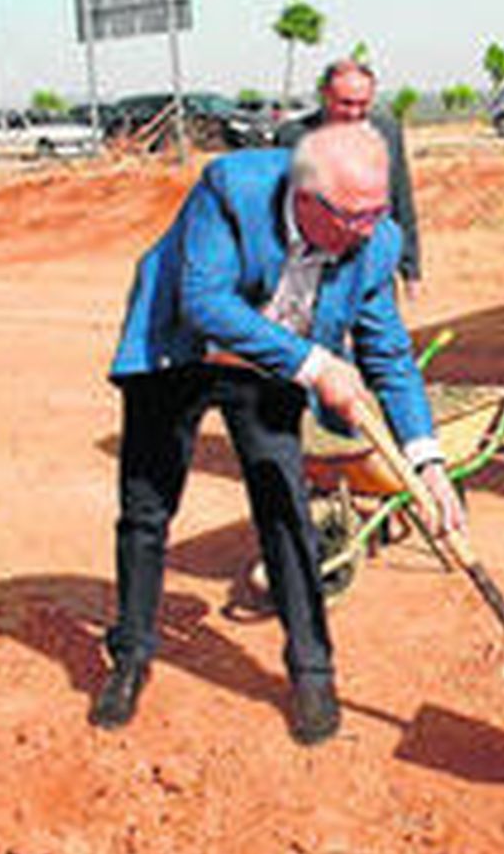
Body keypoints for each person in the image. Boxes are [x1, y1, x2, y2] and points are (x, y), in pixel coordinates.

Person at [95, 124, 466, 746]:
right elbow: (205, 303)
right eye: (356, 216)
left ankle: (312, 670)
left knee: (285, 506)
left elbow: (390, 357)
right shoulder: (232, 191)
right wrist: (318, 366)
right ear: (305, 199)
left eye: (380, 211)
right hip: (180, 351)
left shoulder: (376, 240)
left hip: (270, 366)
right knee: (146, 508)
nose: (372, 229)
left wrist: (427, 462)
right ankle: (131, 654)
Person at [277, 60, 424, 301]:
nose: (354, 112)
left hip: (374, 259)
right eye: (346, 103)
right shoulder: (293, 137)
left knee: (382, 334)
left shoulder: (387, 132)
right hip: (315, 266)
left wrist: (410, 269)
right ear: (325, 95)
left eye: (363, 104)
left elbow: (401, 197)